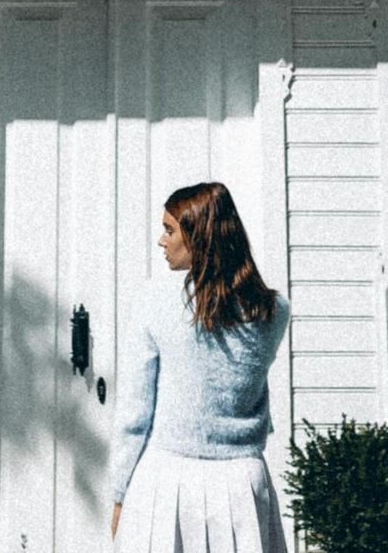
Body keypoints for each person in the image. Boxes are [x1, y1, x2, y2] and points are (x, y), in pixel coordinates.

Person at [109, 181, 290, 552]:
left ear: (199, 235)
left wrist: (119, 494)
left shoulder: (154, 301)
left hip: (167, 481)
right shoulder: (273, 310)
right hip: (242, 484)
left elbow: (134, 413)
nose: (162, 241)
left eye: (170, 230)